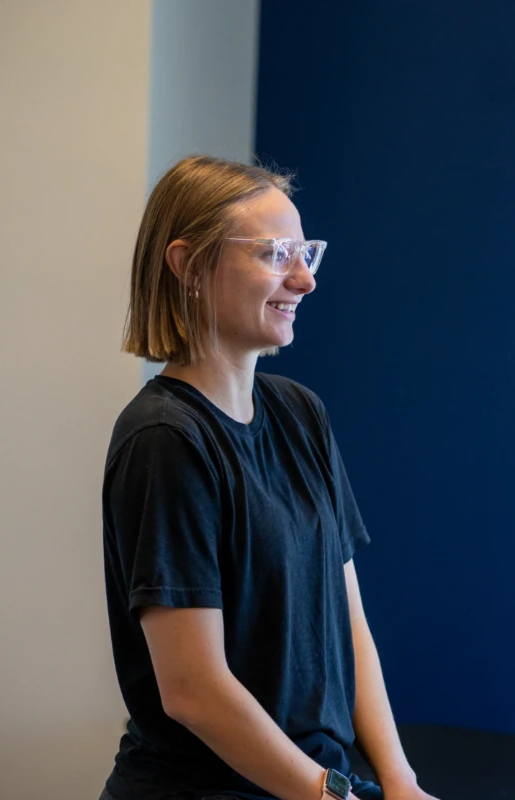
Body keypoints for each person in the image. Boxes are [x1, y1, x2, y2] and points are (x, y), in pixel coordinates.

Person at [100, 155, 439, 800]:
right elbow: (194, 691)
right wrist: (333, 796)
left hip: (316, 784)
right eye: (276, 253)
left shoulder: (300, 412)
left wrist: (399, 783)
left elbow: (349, 622)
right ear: (188, 265)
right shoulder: (165, 438)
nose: (305, 280)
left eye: (306, 252)